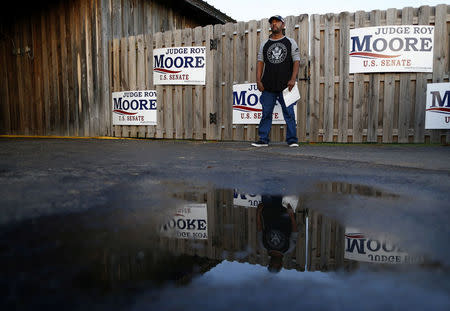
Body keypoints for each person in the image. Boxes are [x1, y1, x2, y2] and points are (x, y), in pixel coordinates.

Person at [252, 15, 300, 147]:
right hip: (268, 85)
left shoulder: (290, 42)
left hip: (286, 86)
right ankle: (263, 139)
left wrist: (293, 79)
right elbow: (260, 62)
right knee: (266, 113)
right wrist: (258, 80)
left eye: (277, 22)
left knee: (289, 113)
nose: (274, 24)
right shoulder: (265, 44)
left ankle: (292, 140)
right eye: (272, 22)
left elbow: (296, 61)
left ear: (283, 25)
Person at [257, 195, 299, 273]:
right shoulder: (288, 248)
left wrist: (258, 213)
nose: (272, 263)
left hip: (267, 209)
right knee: (282, 186)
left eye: (270, 265)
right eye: (274, 265)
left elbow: (259, 229)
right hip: (283, 210)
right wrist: (292, 216)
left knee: (267, 186)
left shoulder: (264, 245)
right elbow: (294, 232)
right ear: (280, 264)